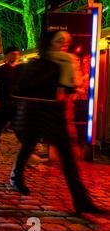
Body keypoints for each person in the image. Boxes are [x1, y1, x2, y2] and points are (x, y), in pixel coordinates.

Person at [11, 31, 102, 213]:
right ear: (48, 43)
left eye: (66, 40)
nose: (64, 43)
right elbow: (30, 89)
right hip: (36, 114)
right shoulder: (40, 65)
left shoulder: (69, 62)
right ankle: (16, 177)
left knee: (69, 159)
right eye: (59, 40)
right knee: (28, 147)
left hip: (59, 116)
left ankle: (81, 200)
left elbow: (69, 90)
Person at [0, 46, 20, 159]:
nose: (15, 56)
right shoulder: (0, 69)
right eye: (12, 54)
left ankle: (26, 151)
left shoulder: (19, 70)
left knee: (18, 127)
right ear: (7, 56)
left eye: (17, 54)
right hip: (2, 103)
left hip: (15, 104)